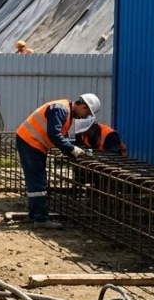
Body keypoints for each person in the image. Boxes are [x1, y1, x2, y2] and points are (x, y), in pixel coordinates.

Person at [15, 93, 100, 228]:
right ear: (82, 107)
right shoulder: (61, 109)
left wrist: (71, 149)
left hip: (33, 143)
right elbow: (54, 134)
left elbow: (61, 135)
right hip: (30, 142)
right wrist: (72, 149)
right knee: (38, 180)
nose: (84, 117)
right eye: (86, 113)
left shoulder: (65, 111)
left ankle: (35, 215)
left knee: (36, 179)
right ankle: (41, 220)